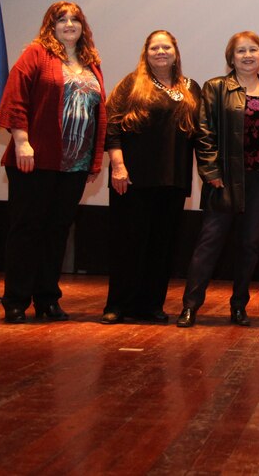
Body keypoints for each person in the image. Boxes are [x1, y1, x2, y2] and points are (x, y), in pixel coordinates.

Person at [0, 1, 105, 324]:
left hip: (74, 165)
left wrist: (93, 162)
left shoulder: (91, 64)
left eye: (75, 19)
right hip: (35, 160)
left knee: (57, 233)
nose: (69, 24)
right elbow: (15, 97)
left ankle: (47, 299)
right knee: (26, 231)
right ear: (51, 25)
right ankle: (16, 300)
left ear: (83, 27)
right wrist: (21, 141)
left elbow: (99, 113)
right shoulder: (36, 54)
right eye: (62, 19)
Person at [177, 31, 259, 329]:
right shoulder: (215, 88)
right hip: (223, 180)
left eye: (253, 50)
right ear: (231, 57)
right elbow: (204, 133)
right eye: (241, 51)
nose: (248, 55)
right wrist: (211, 173)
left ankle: (239, 306)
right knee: (209, 243)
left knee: (250, 246)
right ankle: (190, 306)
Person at [100, 30, 199, 325]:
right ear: (146, 52)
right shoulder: (131, 84)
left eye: (166, 47)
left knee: (162, 247)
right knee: (128, 244)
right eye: (154, 47)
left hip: (173, 181)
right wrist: (118, 165)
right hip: (132, 180)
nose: (160, 52)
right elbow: (112, 125)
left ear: (175, 52)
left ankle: (150, 306)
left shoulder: (190, 88)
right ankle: (118, 305)